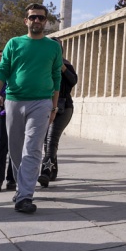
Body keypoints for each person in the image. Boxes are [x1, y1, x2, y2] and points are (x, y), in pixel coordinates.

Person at [0, 3, 62, 214]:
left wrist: (54, 107)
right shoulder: (14, 43)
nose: (36, 21)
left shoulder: (53, 47)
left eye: (40, 18)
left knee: (32, 148)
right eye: (33, 18)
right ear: (26, 21)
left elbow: (56, 77)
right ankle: (22, 186)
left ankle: (24, 196)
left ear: (45, 22)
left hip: (42, 103)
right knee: (15, 149)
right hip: (14, 100)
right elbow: (2, 69)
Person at [38, 37, 78, 188]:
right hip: (44, 107)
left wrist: (61, 66)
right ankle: (52, 171)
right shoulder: (43, 65)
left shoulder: (66, 64)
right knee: (46, 141)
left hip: (63, 107)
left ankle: (45, 172)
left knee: (51, 139)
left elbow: (73, 81)